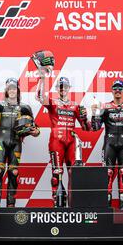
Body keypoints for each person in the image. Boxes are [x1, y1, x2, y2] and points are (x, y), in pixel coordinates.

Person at [0, 77, 40, 208]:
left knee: (14, 173)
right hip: (1, 141)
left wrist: (33, 132)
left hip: (16, 143)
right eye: (9, 88)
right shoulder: (0, 105)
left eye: (14, 88)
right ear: (6, 90)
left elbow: (36, 129)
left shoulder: (25, 108)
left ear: (18, 90)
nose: (12, 91)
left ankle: (11, 206)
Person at [36, 75, 90, 207]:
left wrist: (85, 118)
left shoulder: (75, 106)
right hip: (56, 140)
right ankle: (57, 204)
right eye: (60, 87)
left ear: (69, 88)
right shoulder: (53, 103)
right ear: (56, 89)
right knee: (57, 173)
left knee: (74, 173)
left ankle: (73, 204)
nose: (63, 89)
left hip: (71, 141)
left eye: (65, 87)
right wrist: (42, 79)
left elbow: (86, 128)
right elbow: (39, 97)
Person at [91, 80, 123, 210]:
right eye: (115, 88)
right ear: (111, 90)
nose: (118, 90)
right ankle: (106, 207)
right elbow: (95, 127)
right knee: (107, 174)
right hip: (109, 144)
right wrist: (94, 113)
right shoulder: (105, 107)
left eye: (120, 88)